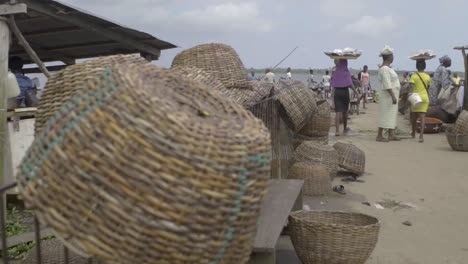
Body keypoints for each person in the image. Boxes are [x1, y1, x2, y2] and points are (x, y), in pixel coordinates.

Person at [376, 45, 401, 142]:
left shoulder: (387, 68)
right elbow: (387, 83)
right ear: (389, 57)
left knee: (391, 115)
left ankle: (391, 134)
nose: (393, 57)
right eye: (392, 56)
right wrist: (393, 95)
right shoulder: (384, 69)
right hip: (388, 96)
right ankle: (379, 135)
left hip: (391, 96)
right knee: (385, 115)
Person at [331, 59, 359, 136]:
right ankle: (345, 128)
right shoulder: (346, 72)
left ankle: (337, 131)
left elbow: (333, 86)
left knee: (337, 112)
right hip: (345, 92)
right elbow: (350, 84)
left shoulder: (335, 72)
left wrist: (332, 99)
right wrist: (356, 93)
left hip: (337, 92)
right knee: (345, 111)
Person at [409, 60, 431, 143]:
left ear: (416, 66)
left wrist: (410, 95)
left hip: (416, 97)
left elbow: (411, 87)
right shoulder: (428, 76)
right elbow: (428, 87)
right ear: (425, 67)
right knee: (422, 118)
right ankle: (421, 136)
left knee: (414, 117)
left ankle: (413, 133)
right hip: (425, 97)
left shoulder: (413, 76)